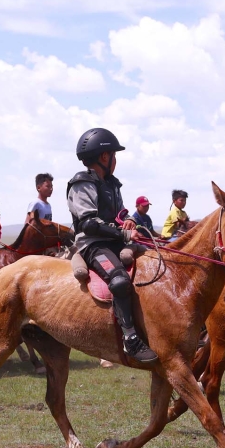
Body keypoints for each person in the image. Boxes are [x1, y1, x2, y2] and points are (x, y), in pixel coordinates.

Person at [67, 128, 158, 365]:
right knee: (119, 280)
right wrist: (122, 232)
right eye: (114, 156)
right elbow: (88, 222)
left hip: (116, 241)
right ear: (104, 157)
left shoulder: (113, 184)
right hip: (93, 245)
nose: (115, 161)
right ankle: (130, 338)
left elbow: (119, 212)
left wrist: (126, 219)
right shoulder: (82, 183)